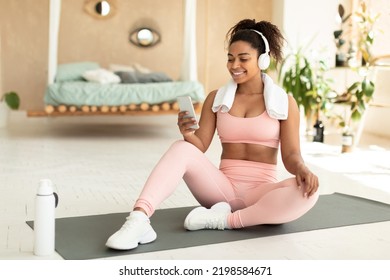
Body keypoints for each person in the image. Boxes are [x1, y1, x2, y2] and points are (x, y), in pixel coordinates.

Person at [106, 19, 319, 250]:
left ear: (262, 59)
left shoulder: (285, 103)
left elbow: (291, 154)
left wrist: (302, 169)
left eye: (243, 58)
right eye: (230, 58)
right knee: (181, 147)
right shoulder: (216, 98)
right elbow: (199, 145)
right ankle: (139, 220)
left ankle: (224, 221)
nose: (234, 65)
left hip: (260, 193)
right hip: (220, 191)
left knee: (308, 193)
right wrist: (188, 133)